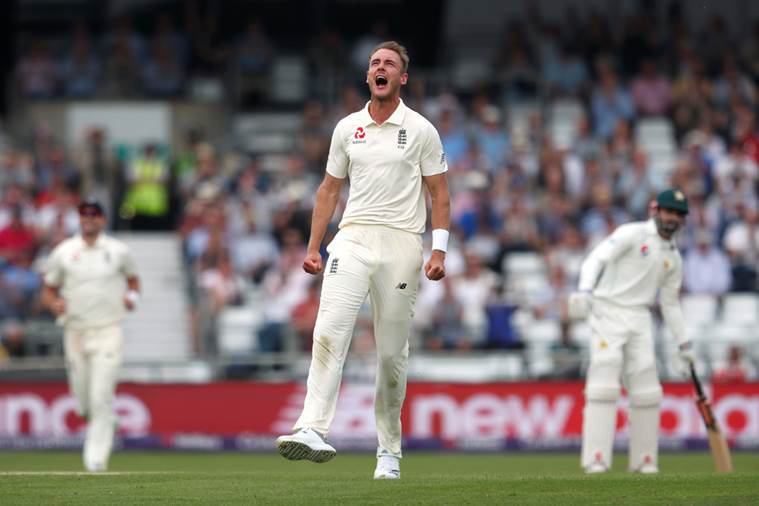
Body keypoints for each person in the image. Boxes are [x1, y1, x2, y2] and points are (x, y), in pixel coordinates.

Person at [276, 41, 450, 480]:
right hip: (352, 238)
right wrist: (314, 246)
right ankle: (312, 426)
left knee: (391, 355)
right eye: (375, 63)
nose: (380, 68)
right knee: (329, 330)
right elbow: (329, 191)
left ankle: (388, 450)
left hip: (402, 244)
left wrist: (440, 249)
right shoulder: (347, 128)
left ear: (402, 78)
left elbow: (440, 194)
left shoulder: (422, 129)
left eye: (389, 63)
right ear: (367, 76)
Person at [568, 188, 695, 474]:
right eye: (668, 211)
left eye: (677, 213)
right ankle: (596, 459)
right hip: (607, 310)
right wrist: (585, 290)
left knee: (648, 389)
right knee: (604, 375)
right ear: (655, 209)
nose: (672, 218)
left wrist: (685, 344)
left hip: (640, 318)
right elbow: (595, 258)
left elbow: (670, 304)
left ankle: (645, 460)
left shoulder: (674, 259)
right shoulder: (633, 233)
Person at [42, 197, 140, 472]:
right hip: (74, 331)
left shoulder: (118, 250)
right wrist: (54, 304)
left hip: (109, 330)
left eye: (94, 214)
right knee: (84, 403)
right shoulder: (64, 251)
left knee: (100, 398)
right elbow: (49, 287)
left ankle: (95, 460)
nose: (88, 218)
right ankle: (105, 419)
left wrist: (133, 298)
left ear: (103, 220)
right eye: (84, 214)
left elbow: (133, 280)